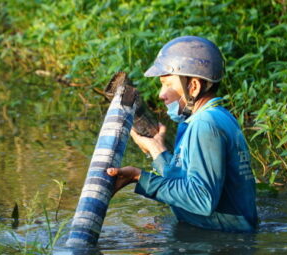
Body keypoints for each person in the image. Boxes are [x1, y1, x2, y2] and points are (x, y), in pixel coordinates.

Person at [107, 36, 258, 232]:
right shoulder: (216, 117)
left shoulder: (204, 125)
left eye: (168, 84)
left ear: (193, 86)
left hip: (223, 242)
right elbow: (187, 181)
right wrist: (157, 152)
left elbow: (201, 199)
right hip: (226, 235)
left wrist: (139, 178)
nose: (162, 94)